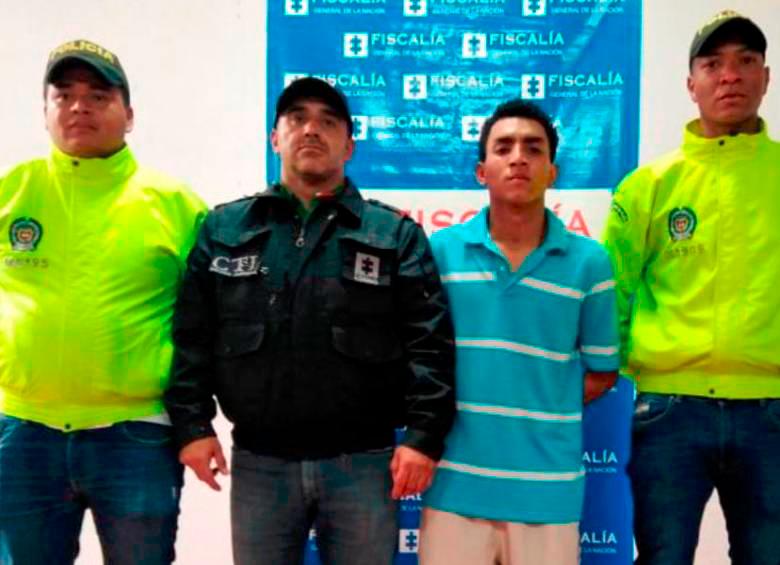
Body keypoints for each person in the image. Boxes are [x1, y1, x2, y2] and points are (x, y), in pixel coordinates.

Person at [164, 77, 455, 565]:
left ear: (350, 145)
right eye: (297, 119)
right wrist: (192, 426)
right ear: (275, 138)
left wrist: (424, 438)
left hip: (363, 463)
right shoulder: (226, 229)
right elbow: (192, 335)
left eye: (328, 121)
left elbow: (430, 343)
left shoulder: (393, 234)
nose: (311, 130)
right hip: (260, 463)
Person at [0, 39, 207, 565]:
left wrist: (196, 425)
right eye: (63, 95)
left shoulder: (176, 206)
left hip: (136, 435)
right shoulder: (11, 192)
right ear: (45, 112)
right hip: (22, 433)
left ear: (129, 115)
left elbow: (210, 325)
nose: (79, 107)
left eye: (98, 96)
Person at [602, 10, 780, 565]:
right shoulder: (649, 185)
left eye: (745, 61)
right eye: (713, 64)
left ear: (766, 77)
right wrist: (634, 368)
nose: (730, 76)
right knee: (663, 557)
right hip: (669, 410)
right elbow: (613, 293)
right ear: (691, 83)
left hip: (771, 408)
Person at [419, 99, 619, 565]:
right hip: (454, 486)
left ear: (552, 171)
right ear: (481, 171)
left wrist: (538, 401)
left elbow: (602, 373)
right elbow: (420, 359)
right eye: (503, 147)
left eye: (533, 148)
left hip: (547, 492)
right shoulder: (440, 253)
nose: (518, 158)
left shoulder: (590, 263)